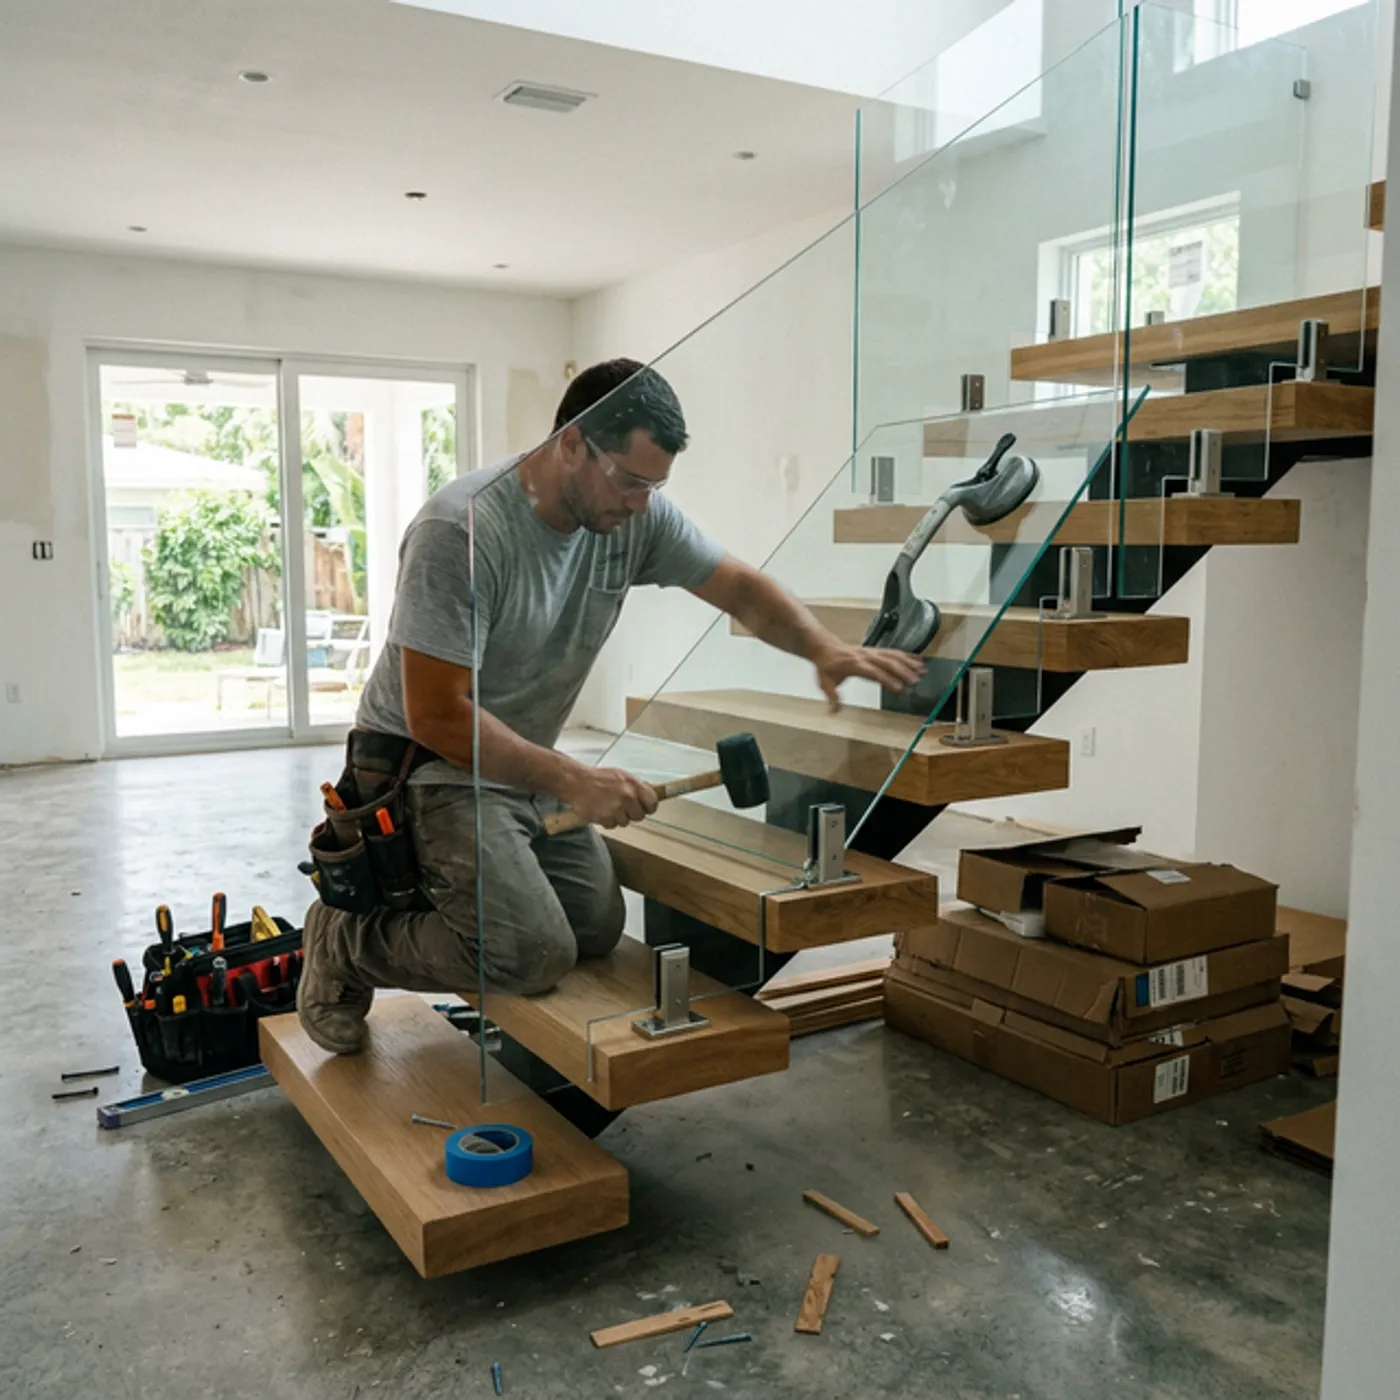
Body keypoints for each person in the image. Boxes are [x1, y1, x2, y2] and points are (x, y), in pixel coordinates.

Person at [297, 358, 924, 1055]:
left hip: (523, 767)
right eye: (630, 481)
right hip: (431, 772)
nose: (641, 505)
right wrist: (574, 779)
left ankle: (453, 897)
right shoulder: (462, 531)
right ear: (571, 444)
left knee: (593, 930)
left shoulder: (629, 517)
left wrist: (822, 650)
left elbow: (739, 587)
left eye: (655, 487)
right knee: (529, 956)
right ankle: (344, 939)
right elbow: (438, 716)